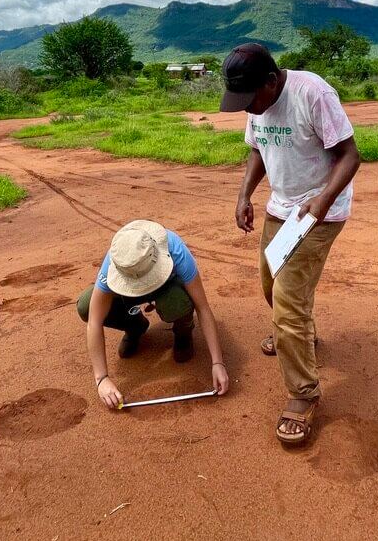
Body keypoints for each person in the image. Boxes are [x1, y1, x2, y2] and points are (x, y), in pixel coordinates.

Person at [220, 43, 360, 445]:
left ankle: (303, 395)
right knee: (270, 284)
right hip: (281, 209)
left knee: (288, 301)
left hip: (319, 212)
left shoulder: (313, 94)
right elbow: (258, 149)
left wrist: (322, 201)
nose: (249, 108)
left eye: (252, 99)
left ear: (271, 80)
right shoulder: (256, 104)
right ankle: (301, 334)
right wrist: (244, 194)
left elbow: (350, 156)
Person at [77, 220, 230, 409]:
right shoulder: (115, 261)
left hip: (167, 288)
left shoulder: (176, 250)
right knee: (85, 304)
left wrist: (218, 363)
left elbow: (203, 308)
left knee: (176, 302)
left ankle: (183, 331)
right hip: (127, 291)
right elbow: (94, 321)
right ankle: (135, 327)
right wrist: (101, 379)